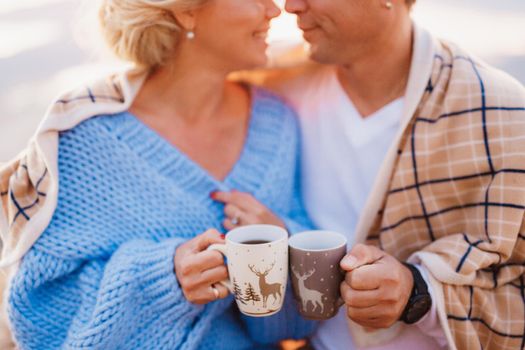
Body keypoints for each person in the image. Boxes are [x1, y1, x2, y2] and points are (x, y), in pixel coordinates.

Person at [0, 0, 317, 348]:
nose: (275, 11)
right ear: (186, 11)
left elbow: (299, 322)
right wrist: (164, 277)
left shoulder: (277, 123)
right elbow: (41, 315)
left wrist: (281, 238)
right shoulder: (84, 141)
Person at [251, 0, 525, 349]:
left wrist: (416, 292)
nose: (291, 6)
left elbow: (515, 286)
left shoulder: (500, 113)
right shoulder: (274, 84)